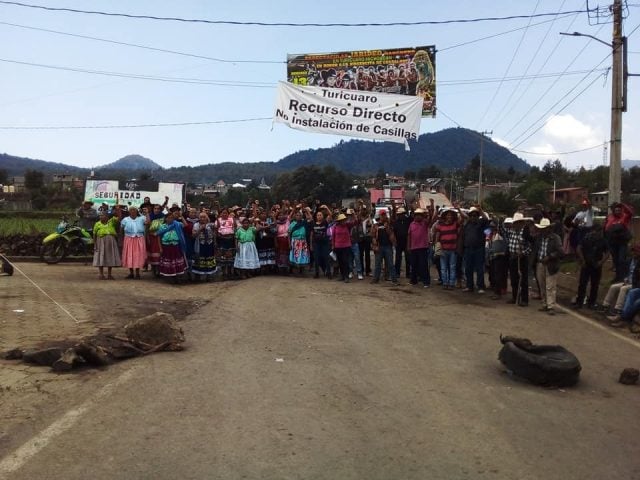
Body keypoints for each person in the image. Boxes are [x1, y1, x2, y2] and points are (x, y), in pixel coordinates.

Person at [532, 218, 563, 315]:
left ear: (549, 228)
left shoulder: (556, 238)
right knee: (542, 285)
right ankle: (545, 304)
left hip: (551, 264)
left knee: (550, 286)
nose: (543, 230)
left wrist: (550, 257)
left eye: (544, 228)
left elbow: (560, 252)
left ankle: (550, 306)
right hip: (540, 263)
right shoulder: (539, 238)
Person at [575, 222, 609, 309]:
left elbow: (607, 253)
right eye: (599, 231)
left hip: (595, 265)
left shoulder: (602, 240)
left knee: (593, 284)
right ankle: (581, 302)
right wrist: (582, 259)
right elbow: (578, 248)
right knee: (584, 284)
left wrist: (601, 262)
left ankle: (589, 303)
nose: (600, 233)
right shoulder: (587, 238)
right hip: (587, 264)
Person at [602, 245, 640, 315]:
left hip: (635, 284)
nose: (634, 253)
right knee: (613, 287)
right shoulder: (630, 261)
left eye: (636, 252)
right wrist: (625, 278)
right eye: (633, 252)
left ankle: (618, 309)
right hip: (627, 281)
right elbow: (626, 272)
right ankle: (605, 306)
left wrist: (633, 283)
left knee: (623, 289)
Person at [506, 212, 533, 306]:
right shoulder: (512, 231)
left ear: (521, 223)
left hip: (521, 258)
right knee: (513, 279)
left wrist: (523, 253)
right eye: (515, 222)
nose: (516, 224)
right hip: (513, 257)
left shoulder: (525, 232)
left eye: (518, 222)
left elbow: (530, 247)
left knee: (523, 280)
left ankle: (524, 300)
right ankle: (514, 297)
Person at [604, 202, 634, 282]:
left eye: (619, 210)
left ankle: (625, 276)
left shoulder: (624, 217)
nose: (617, 212)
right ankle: (618, 277)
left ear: (621, 211)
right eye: (616, 210)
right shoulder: (610, 217)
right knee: (615, 260)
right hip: (612, 243)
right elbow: (606, 229)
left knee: (621, 260)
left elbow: (630, 212)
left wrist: (623, 205)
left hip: (622, 243)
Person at [461, 206, 489, 293]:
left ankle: (480, 286)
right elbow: (463, 216)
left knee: (479, 268)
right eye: (471, 215)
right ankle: (469, 286)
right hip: (468, 249)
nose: (473, 217)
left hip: (479, 249)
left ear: (478, 216)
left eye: (475, 215)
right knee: (468, 268)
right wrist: (458, 209)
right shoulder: (467, 224)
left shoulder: (481, 224)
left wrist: (480, 210)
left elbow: (486, 219)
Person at [158, 210, 188, 280]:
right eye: (168, 218)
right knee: (169, 262)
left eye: (172, 218)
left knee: (176, 261)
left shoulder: (177, 224)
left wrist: (181, 216)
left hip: (176, 245)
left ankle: (178, 276)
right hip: (166, 246)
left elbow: (186, 225)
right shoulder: (162, 227)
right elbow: (159, 238)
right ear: (165, 219)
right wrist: (160, 248)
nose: (170, 219)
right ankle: (172, 276)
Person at [120, 206, 149, 279]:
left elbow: (148, 222)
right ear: (129, 212)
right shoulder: (125, 219)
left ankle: (137, 273)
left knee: (138, 256)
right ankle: (131, 273)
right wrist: (121, 239)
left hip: (139, 239)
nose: (133, 211)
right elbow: (121, 229)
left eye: (134, 210)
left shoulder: (142, 218)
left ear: (137, 211)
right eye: (131, 210)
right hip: (128, 239)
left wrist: (147, 213)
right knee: (129, 255)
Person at [434, 209, 460, 290]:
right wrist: (436, 246)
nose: (449, 216)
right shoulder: (440, 225)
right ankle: (445, 283)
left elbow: (463, 218)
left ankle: (451, 283)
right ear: (445, 216)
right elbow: (437, 237)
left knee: (452, 267)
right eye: (448, 215)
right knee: (443, 267)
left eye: (451, 215)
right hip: (443, 249)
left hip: (453, 249)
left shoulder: (456, 224)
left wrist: (458, 209)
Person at [371, 211, 398, 285]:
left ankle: (394, 280)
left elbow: (391, 234)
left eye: (384, 215)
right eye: (382, 215)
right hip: (379, 246)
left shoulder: (389, 224)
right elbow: (373, 235)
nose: (383, 216)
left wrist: (387, 227)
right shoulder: (376, 225)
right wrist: (374, 244)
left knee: (390, 264)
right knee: (377, 264)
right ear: (379, 216)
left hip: (388, 246)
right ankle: (376, 279)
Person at [92, 209, 121, 280]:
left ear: (107, 217)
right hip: (100, 241)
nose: (101, 217)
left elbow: (119, 218)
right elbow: (94, 234)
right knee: (100, 256)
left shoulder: (111, 222)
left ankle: (109, 274)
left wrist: (118, 210)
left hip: (111, 242)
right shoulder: (97, 224)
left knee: (110, 256)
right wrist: (95, 243)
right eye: (100, 215)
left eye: (103, 215)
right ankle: (101, 274)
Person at [407, 208, 430, 287]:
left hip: (423, 247)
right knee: (414, 265)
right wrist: (408, 246)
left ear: (422, 216)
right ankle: (413, 281)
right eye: (416, 215)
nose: (418, 217)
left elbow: (430, 219)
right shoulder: (411, 224)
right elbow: (409, 236)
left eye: (420, 215)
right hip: (413, 248)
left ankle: (426, 282)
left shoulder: (424, 223)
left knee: (423, 265)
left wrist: (429, 211)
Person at [191, 212, 217, 281]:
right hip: (200, 244)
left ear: (207, 218)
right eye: (201, 217)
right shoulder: (196, 225)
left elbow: (214, 233)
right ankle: (198, 276)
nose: (202, 218)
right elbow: (193, 235)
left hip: (209, 244)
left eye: (204, 217)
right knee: (199, 259)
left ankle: (209, 276)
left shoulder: (211, 225)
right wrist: (200, 229)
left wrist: (215, 242)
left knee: (209, 259)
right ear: (199, 218)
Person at [487, 220, 508, 300]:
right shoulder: (490, 233)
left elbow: (502, 230)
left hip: (500, 257)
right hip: (492, 256)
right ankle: (496, 291)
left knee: (498, 275)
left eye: (493, 226)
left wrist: (498, 223)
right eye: (491, 227)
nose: (492, 228)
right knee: (493, 274)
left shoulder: (501, 233)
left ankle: (498, 292)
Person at [332, 213, 355, 283]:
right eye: (342, 220)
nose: (343, 221)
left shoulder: (347, 225)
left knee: (345, 261)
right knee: (340, 262)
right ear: (339, 221)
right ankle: (342, 275)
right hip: (338, 246)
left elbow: (355, 222)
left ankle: (346, 276)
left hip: (346, 246)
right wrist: (333, 246)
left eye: (344, 220)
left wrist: (353, 215)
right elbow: (333, 237)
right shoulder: (335, 227)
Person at [288, 209, 312, 273]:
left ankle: (301, 269)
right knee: (294, 255)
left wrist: (307, 211)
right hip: (294, 241)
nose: (298, 216)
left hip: (303, 241)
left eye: (300, 215)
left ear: (302, 216)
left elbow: (311, 218)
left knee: (302, 255)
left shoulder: (304, 222)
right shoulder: (292, 224)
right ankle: (291, 269)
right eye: (297, 215)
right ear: (295, 216)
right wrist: (289, 244)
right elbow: (289, 234)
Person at [215, 208, 237, 280]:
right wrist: (216, 241)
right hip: (222, 239)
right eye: (223, 213)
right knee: (223, 257)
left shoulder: (232, 219)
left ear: (228, 213)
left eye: (226, 213)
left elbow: (235, 228)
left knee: (230, 256)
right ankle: (224, 273)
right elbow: (216, 231)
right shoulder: (218, 220)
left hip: (231, 239)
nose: (224, 214)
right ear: (221, 214)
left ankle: (230, 272)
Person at [310, 210, 330, 279]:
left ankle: (329, 273)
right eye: (318, 215)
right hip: (316, 244)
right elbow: (311, 235)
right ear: (316, 216)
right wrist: (311, 245)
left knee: (326, 258)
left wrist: (326, 208)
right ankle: (317, 273)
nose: (319, 216)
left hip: (325, 243)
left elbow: (330, 215)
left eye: (320, 215)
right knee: (316, 259)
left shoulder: (325, 223)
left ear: (323, 216)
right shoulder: (313, 224)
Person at [393, 206, 411, 279]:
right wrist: (394, 241)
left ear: (404, 214)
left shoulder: (408, 221)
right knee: (398, 259)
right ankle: (397, 273)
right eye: (399, 214)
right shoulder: (396, 222)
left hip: (407, 242)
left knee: (408, 258)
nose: (400, 215)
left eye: (402, 214)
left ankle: (408, 273)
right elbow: (393, 232)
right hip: (398, 243)